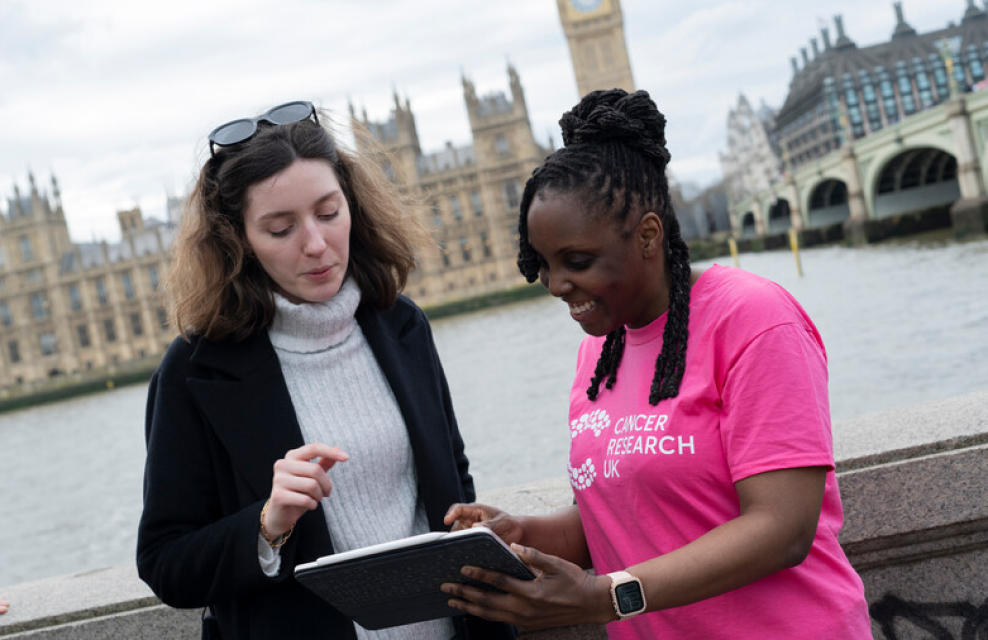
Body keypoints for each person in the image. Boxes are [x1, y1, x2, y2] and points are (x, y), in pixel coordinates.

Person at [441, 89, 871, 638]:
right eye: (542, 264)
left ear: (647, 235)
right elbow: (620, 516)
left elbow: (782, 528)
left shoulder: (754, 319)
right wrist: (520, 533)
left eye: (576, 261)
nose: (555, 285)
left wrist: (603, 596)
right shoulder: (599, 348)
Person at [136, 100, 513, 640]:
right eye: (280, 228)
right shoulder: (195, 372)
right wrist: (267, 524)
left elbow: (453, 480)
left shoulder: (401, 324)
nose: (315, 245)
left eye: (329, 213)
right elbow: (166, 563)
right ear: (238, 240)